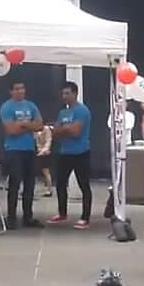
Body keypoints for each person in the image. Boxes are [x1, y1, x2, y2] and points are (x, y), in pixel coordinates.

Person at [47, 82, 92, 230]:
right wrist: (66, 128)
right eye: (63, 94)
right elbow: (56, 132)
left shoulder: (82, 111)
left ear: (75, 93)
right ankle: (62, 213)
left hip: (81, 153)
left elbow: (76, 132)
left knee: (83, 185)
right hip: (65, 152)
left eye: (67, 93)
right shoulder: (63, 113)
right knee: (60, 183)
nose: (64, 96)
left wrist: (63, 128)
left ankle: (85, 218)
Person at [0, 80, 44, 229]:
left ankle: (28, 217)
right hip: (13, 149)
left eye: (22, 88)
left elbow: (39, 126)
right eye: (17, 89)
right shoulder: (6, 107)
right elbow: (11, 130)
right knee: (15, 183)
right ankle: (11, 217)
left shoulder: (31, 105)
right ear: (10, 91)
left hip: (29, 149)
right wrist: (28, 125)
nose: (20, 91)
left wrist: (22, 124)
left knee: (30, 184)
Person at [35, 125, 53, 197]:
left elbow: (48, 141)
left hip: (45, 153)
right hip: (37, 151)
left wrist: (42, 152)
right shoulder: (35, 130)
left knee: (46, 172)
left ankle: (49, 190)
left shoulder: (46, 129)